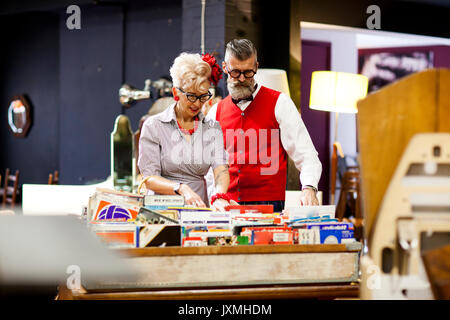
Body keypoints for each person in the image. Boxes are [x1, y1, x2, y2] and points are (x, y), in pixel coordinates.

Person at [206, 39, 322, 211]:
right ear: (225, 67)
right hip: (227, 205)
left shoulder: (280, 103)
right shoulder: (216, 111)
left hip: (269, 205)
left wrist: (309, 188)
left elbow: (306, 154)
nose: (242, 79)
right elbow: (209, 167)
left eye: (249, 72)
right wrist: (214, 197)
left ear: (256, 67)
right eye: (235, 72)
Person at [138, 52, 231, 211]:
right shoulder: (153, 126)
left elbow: (221, 169)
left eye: (203, 97)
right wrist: (181, 188)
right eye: (191, 96)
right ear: (176, 93)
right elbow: (149, 179)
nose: (198, 103)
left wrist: (219, 196)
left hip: (199, 211)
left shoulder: (212, 127)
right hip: (162, 212)